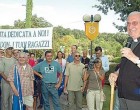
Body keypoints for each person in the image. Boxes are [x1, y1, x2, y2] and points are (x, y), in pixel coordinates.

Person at [109, 11, 140, 110]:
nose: (130, 27)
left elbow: (134, 60)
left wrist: (134, 58)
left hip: (137, 98)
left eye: (134, 23)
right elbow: (124, 65)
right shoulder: (129, 42)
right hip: (122, 95)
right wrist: (116, 73)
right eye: (128, 24)